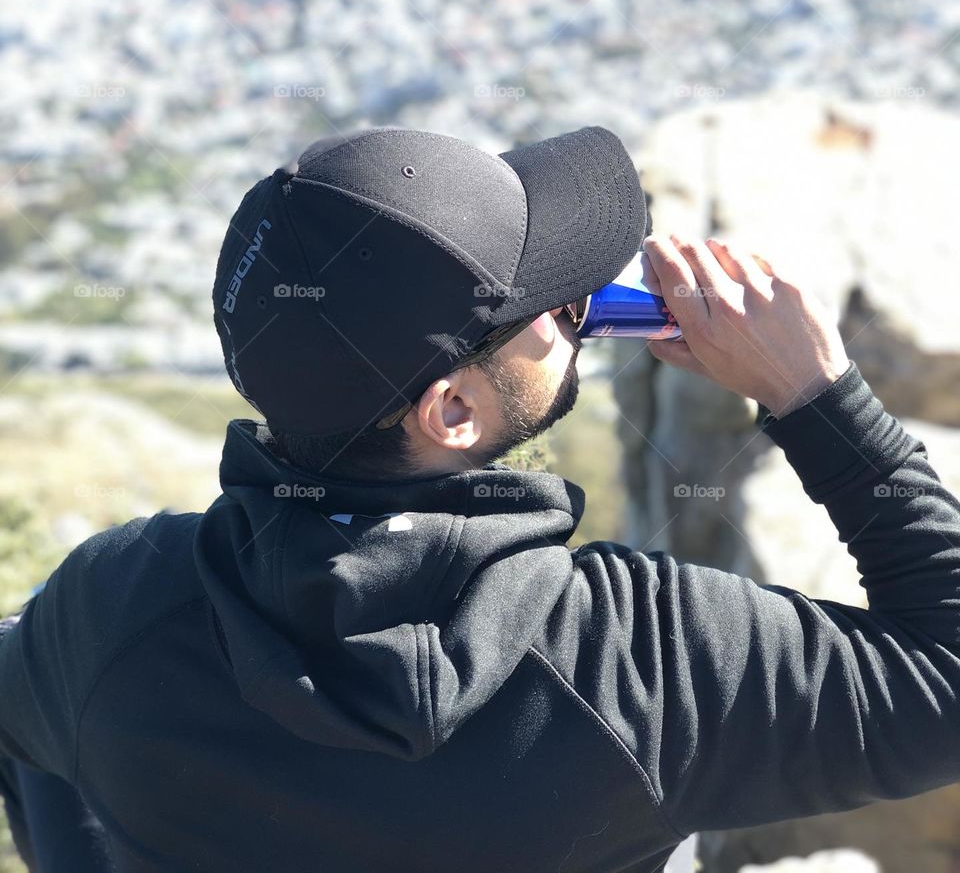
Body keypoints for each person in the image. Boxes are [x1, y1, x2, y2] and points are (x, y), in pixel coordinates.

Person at [1, 123, 960, 872]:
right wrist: (819, 396)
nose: (584, 306)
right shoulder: (644, 660)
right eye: (555, 306)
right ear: (453, 410)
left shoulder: (110, 615)